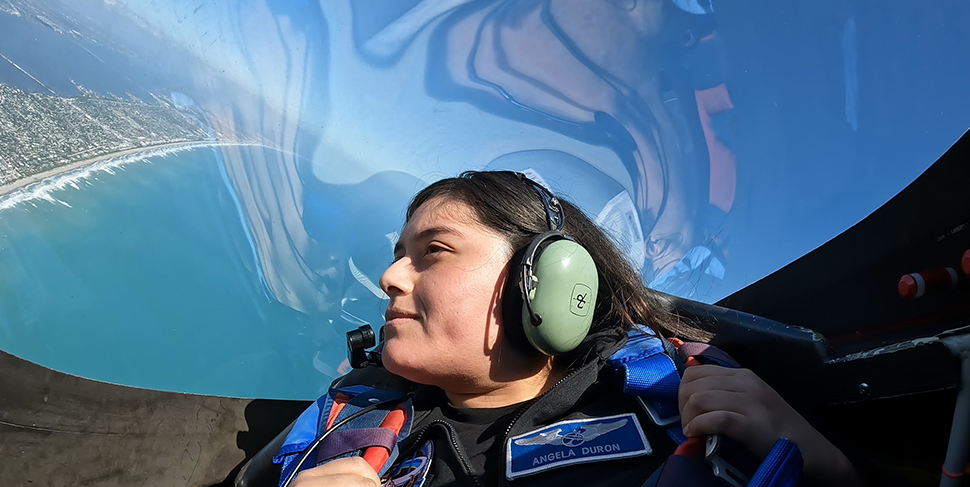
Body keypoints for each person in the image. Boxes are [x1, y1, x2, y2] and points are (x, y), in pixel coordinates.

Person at [287, 170, 859, 487]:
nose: (389, 277)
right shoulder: (345, 420)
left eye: (432, 251)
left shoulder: (680, 405)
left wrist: (826, 467)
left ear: (551, 282)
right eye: (396, 255)